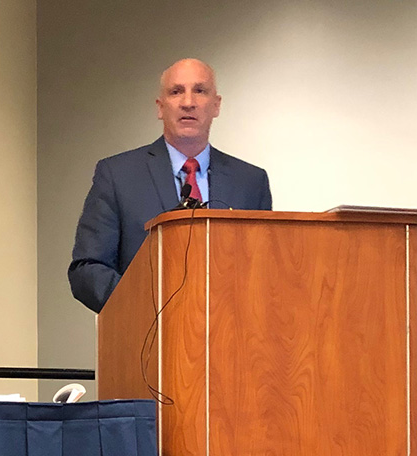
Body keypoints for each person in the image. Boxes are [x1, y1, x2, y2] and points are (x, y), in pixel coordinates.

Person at [68, 58, 273, 313]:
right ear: (160, 107)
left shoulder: (251, 182)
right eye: (176, 92)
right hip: (146, 341)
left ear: (216, 105)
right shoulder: (118, 175)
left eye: (200, 90)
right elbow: (87, 269)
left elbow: (265, 273)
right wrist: (144, 307)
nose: (188, 102)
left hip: (232, 341)